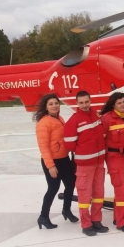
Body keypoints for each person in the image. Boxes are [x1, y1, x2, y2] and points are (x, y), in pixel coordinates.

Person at [63, 91, 108, 236]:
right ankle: (86, 224)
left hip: (99, 163)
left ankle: (96, 220)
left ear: (90, 101)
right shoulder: (73, 120)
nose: (84, 105)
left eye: (86, 102)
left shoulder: (96, 116)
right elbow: (69, 144)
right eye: (81, 102)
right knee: (84, 195)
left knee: (99, 193)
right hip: (84, 165)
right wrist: (84, 152)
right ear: (77, 103)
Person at [35, 94, 77, 230]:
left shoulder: (60, 118)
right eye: (51, 104)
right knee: (53, 188)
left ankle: (66, 209)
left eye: (56, 103)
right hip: (52, 161)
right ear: (46, 107)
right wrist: (51, 166)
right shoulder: (43, 123)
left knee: (70, 184)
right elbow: (43, 146)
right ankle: (43, 217)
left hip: (64, 159)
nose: (54, 106)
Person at [100, 92, 124, 232]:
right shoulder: (106, 119)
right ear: (113, 104)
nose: (123, 104)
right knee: (123, 188)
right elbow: (101, 141)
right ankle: (122, 222)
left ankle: (119, 216)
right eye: (119, 102)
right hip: (115, 156)